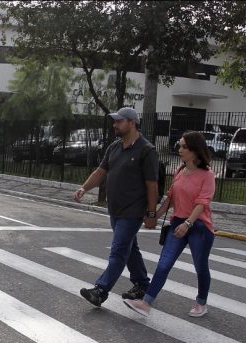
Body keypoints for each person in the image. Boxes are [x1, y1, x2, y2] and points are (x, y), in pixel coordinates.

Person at [123, 131, 216, 318]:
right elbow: (171, 198)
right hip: (177, 222)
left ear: (195, 150)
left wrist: (188, 223)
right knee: (164, 264)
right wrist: (155, 216)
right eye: (179, 146)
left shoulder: (207, 175)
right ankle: (146, 303)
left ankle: (201, 302)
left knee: (200, 266)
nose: (179, 149)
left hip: (199, 226)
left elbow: (202, 203)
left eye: (183, 146)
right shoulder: (180, 172)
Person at [74, 107, 159, 307]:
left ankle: (101, 290)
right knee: (130, 249)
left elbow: (152, 185)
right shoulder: (114, 147)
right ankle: (142, 284)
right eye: (114, 121)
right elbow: (100, 172)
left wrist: (152, 213)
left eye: (119, 121)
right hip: (116, 209)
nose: (115, 125)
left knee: (119, 250)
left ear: (132, 123)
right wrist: (84, 188)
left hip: (133, 211)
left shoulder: (147, 151)